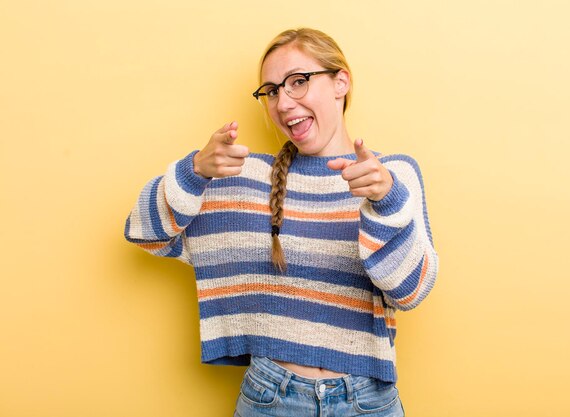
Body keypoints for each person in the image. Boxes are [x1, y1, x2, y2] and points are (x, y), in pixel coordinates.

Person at [124, 27, 438, 417]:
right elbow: (144, 232)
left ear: (341, 82)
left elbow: (412, 291)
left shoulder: (392, 175)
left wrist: (386, 201)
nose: (283, 102)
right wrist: (193, 171)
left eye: (298, 82)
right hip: (271, 399)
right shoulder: (244, 179)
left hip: (368, 401)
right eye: (271, 91)